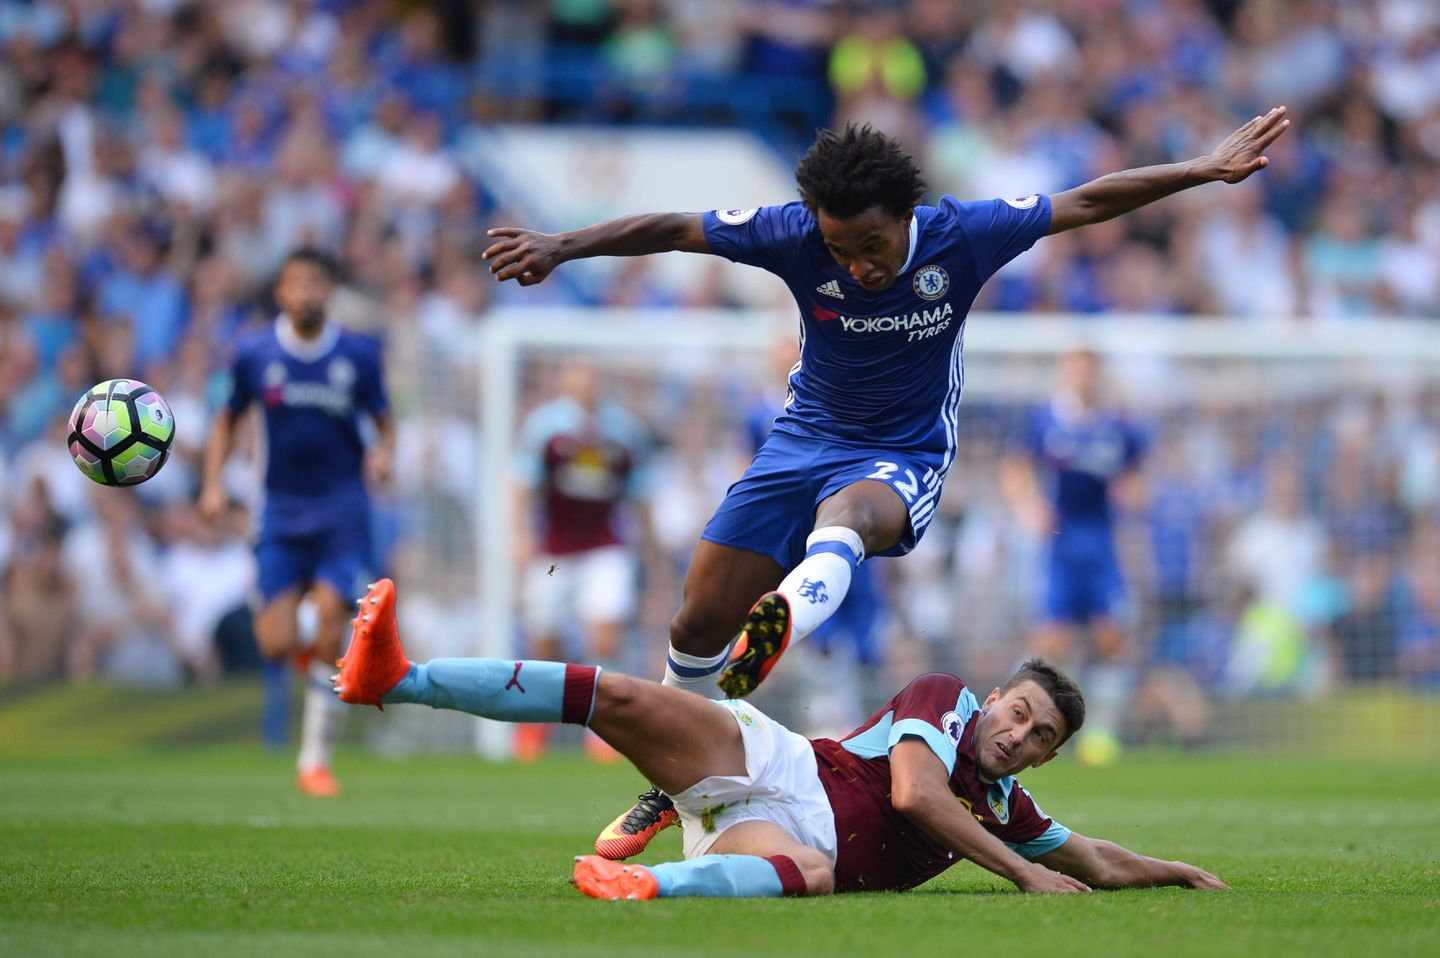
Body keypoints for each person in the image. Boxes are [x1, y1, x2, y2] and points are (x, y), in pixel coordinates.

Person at [482, 108, 1292, 855]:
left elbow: (1083, 202)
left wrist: (1201, 168)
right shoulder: (794, 235)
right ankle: (670, 778)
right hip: (801, 439)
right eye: (838, 251)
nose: (855, 264)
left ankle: (783, 622)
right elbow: (676, 227)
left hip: (902, 452)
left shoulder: (964, 236)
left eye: (868, 246)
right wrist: (564, 245)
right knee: (694, 622)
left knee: (850, 519)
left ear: (905, 217)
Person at [335, 578, 1229, 898]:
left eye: (1037, 736)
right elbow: (915, 794)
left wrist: (1176, 870)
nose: (1017, 733)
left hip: (790, 835)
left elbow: (1100, 861)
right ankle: (397, 679)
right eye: (1019, 711)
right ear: (995, 699)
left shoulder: (1007, 805)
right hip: (782, 761)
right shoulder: (946, 699)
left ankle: (647, 879)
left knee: (812, 875)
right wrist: (1027, 873)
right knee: (621, 699)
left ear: (1045, 757)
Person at [199, 247, 395, 797]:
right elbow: (226, 419)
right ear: (281, 292)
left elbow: (383, 419)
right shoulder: (254, 352)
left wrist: (383, 455)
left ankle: (315, 760)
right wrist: (213, 484)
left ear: (329, 288)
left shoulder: (357, 354)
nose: (306, 292)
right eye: (296, 283)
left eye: (316, 281)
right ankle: (312, 649)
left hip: (341, 509)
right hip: (279, 512)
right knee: (274, 643)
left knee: (332, 618)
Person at [999, 348, 1147, 765]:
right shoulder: (1044, 421)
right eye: (1076, 370)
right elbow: (1015, 469)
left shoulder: (1117, 427)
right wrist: (1027, 505)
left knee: (1111, 637)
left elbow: (1136, 479)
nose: (1083, 378)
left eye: (1090, 371)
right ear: (1065, 373)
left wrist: (1132, 496)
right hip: (1058, 545)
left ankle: (1102, 732)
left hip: (1101, 546)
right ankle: (1005, 719)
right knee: (1051, 642)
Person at [512, 360, 654, 761]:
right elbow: (522, 483)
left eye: (592, 378)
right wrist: (520, 533)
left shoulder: (623, 432)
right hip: (556, 554)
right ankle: (535, 723)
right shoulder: (545, 427)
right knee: (543, 635)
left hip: (604, 549)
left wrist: (651, 550)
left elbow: (641, 493)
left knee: (604, 634)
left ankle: (602, 730)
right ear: (565, 383)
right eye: (578, 377)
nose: (585, 385)